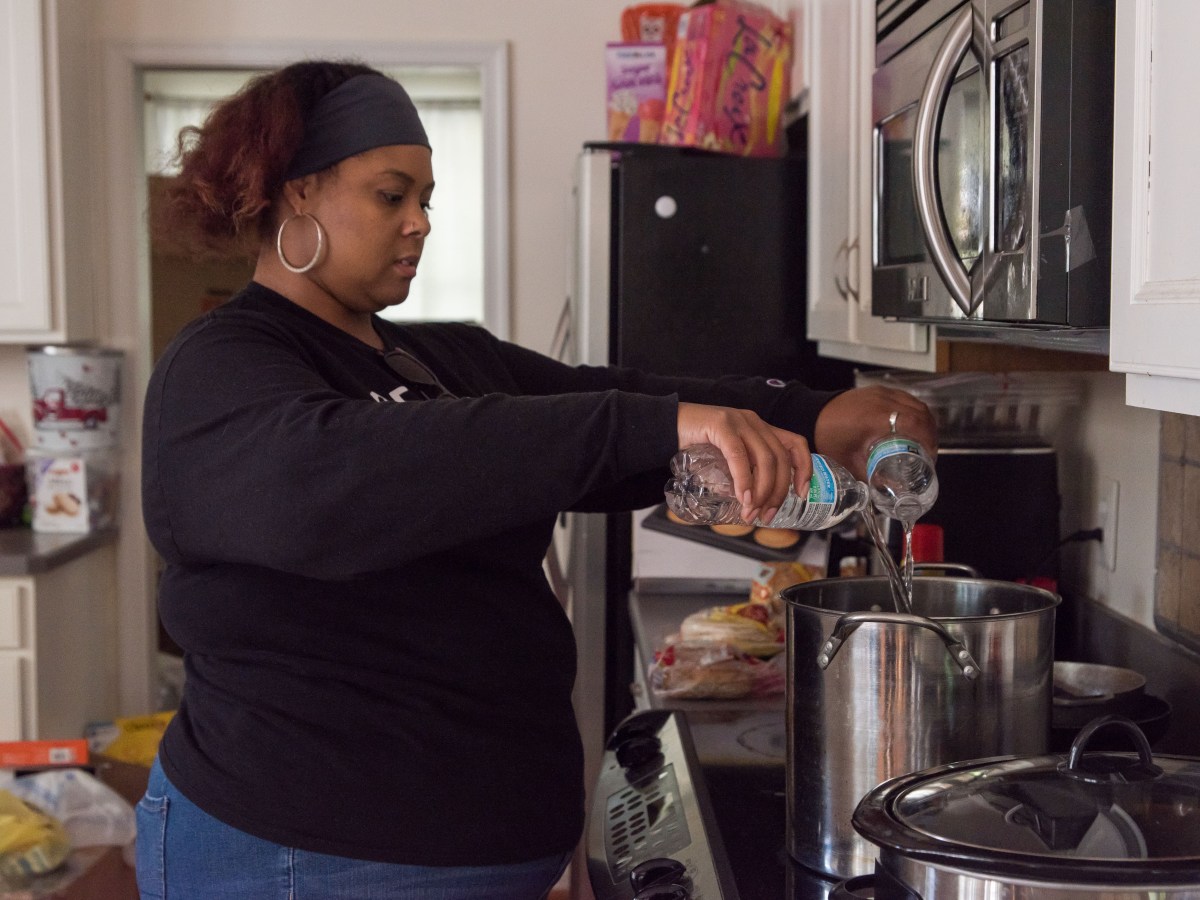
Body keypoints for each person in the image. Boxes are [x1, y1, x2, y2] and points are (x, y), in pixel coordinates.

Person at [137, 60, 937, 900]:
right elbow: (329, 479)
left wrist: (816, 416)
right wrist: (655, 424)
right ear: (297, 195)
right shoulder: (221, 364)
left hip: (472, 852)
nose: (419, 223)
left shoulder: (438, 355)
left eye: (427, 201)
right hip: (306, 857)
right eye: (391, 195)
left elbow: (610, 401)